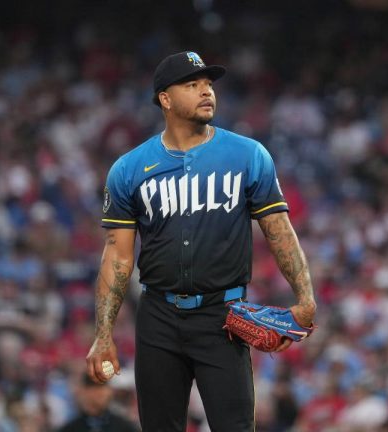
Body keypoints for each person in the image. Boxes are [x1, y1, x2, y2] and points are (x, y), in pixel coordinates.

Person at [86, 50, 317, 431]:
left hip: (222, 317)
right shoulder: (128, 169)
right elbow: (117, 256)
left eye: (209, 84)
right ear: (165, 98)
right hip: (157, 315)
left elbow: (279, 231)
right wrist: (103, 334)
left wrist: (305, 297)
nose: (206, 91)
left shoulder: (248, 155)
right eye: (192, 85)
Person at [57, 372, 138, 432]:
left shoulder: (124, 427)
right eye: (94, 387)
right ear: (83, 391)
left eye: (103, 387)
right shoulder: (70, 428)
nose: (100, 393)